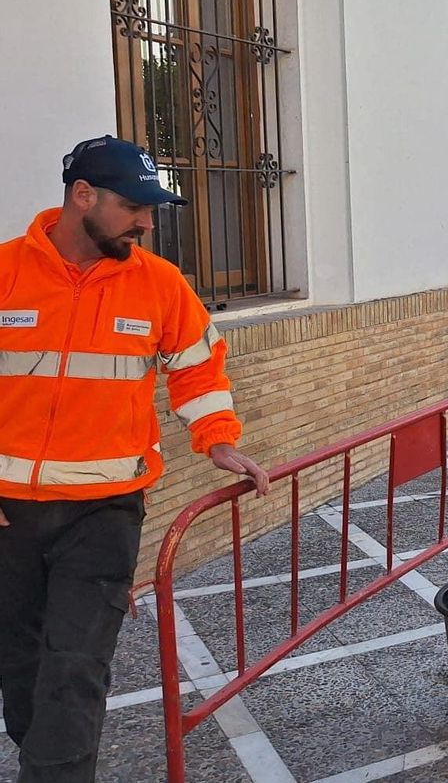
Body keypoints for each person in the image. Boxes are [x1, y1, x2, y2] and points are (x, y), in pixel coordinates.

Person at [0, 135, 269, 783]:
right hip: (8, 516)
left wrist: (219, 439)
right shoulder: (6, 271)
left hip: (104, 515)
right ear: (83, 196)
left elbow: (198, 370)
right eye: (135, 207)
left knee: (74, 671)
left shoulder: (159, 285)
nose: (149, 223)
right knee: (22, 671)